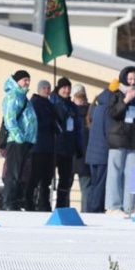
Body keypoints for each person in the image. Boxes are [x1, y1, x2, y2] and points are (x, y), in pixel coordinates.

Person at [105, 66, 135, 215]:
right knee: (115, 172)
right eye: (130, 79)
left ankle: (129, 207)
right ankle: (113, 205)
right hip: (118, 139)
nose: (132, 82)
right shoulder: (117, 94)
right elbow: (112, 113)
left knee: (132, 174)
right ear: (124, 79)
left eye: (134, 79)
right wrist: (126, 100)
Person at [0, 70, 37, 211]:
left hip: (24, 141)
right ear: (17, 81)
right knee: (13, 173)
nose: (27, 82)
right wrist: (19, 137)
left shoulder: (23, 97)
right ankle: (8, 202)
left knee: (20, 173)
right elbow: (9, 119)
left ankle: (13, 201)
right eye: (24, 80)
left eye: (28, 80)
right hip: (16, 141)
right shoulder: (13, 96)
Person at [85, 79, 117, 213]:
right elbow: (109, 131)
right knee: (100, 184)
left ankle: (90, 208)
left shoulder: (97, 106)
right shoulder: (109, 109)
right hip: (103, 153)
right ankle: (95, 209)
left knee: (94, 183)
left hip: (92, 153)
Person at [51, 77, 83, 208]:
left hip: (68, 148)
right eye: (64, 88)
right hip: (54, 147)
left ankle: (61, 206)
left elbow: (78, 128)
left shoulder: (72, 107)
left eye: (69, 88)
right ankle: (43, 205)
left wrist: (78, 146)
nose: (67, 90)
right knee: (47, 178)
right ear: (58, 89)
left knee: (65, 180)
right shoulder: (52, 103)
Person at [26, 80, 55, 211]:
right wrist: (50, 122)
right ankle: (29, 202)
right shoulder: (35, 103)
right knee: (34, 176)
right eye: (44, 88)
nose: (47, 90)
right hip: (37, 146)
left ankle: (44, 203)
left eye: (48, 88)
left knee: (46, 178)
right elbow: (35, 122)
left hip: (48, 146)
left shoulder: (50, 104)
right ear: (39, 89)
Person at [71, 83, 91, 212]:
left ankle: (86, 213)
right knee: (65, 187)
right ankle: (63, 212)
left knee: (86, 187)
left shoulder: (91, 111)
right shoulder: (68, 109)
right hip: (70, 154)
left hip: (85, 154)